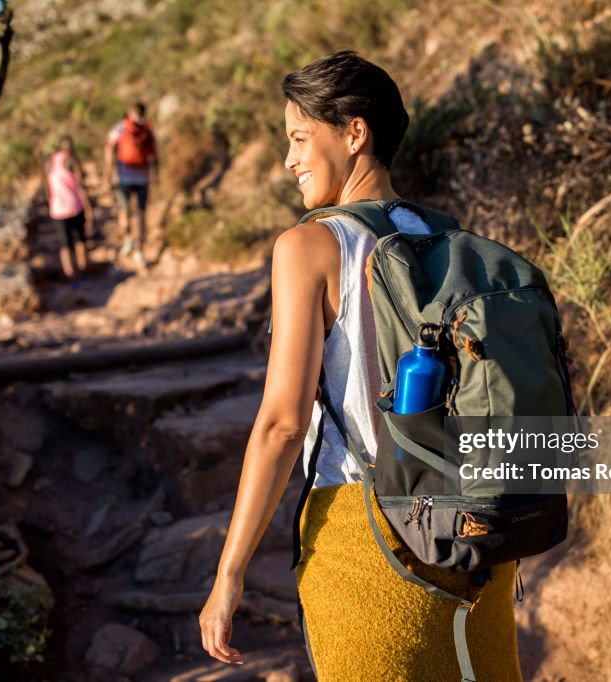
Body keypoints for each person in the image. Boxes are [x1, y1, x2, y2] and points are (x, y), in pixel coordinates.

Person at [199, 51, 522, 681]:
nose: (289, 160)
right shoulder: (453, 241)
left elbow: (282, 427)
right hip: (480, 537)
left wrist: (229, 572)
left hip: (367, 538)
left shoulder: (310, 246)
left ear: (354, 132)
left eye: (298, 138)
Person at [104, 101, 158, 264]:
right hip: (143, 176)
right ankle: (139, 250)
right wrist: (156, 176)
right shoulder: (148, 130)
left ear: (130, 112)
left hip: (124, 176)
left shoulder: (121, 127)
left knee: (124, 210)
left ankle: (128, 239)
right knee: (141, 212)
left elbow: (109, 148)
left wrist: (107, 173)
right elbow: (154, 155)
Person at [44, 134, 92, 283]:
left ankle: (71, 276)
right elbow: (80, 186)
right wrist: (88, 208)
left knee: (65, 244)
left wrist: (51, 202)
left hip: (57, 210)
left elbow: (47, 186)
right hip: (75, 207)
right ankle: (83, 273)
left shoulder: (49, 162)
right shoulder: (72, 160)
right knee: (79, 241)